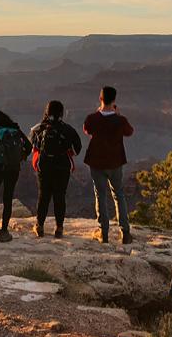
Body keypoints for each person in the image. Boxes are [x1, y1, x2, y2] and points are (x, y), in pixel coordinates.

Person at [83, 86, 135, 244]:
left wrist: (98, 112)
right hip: (116, 162)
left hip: (97, 163)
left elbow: (87, 129)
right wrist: (118, 115)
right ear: (114, 100)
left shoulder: (92, 118)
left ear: (100, 99)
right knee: (118, 194)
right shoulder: (120, 121)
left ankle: (103, 233)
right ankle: (125, 232)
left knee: (101, 195)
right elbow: (130, 131)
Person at [29, 100, 82, 238]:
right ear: (61, 113)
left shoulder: (39, 128)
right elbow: (77, 149)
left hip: (44, 167)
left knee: (43, 196)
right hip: (62, 167)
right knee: (60, 196)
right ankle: (59, 228)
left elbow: (33, 146)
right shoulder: (68, 129)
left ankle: (39, 226)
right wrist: (67, 151)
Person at [0, 110, 30, 242]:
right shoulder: (16, 130)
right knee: (8, 198)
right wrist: (21, 158)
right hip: (13, 169)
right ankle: (4, 231)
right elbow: (29, 146)